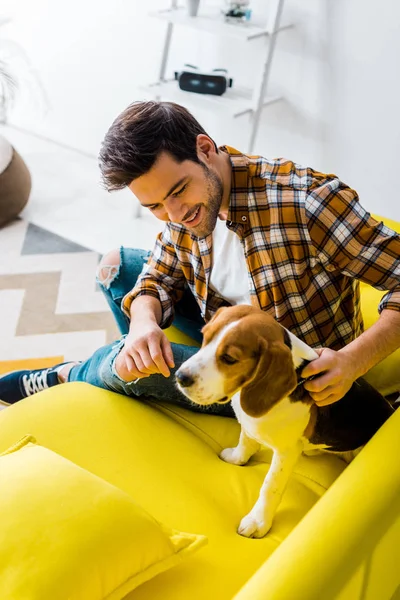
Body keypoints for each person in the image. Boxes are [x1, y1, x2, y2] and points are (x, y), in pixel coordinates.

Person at [1, 101, 399, 414]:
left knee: (125, 367)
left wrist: (351, 361)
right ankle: (131, 354)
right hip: (222, 325)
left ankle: (71, 375)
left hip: (277, 375)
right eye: (155, 205)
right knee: (116, 267)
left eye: (177, 192)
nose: (174, 214)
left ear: (205, 149)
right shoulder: (189, 203)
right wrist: (142, 325)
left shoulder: (307, 203)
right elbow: (156, 274)